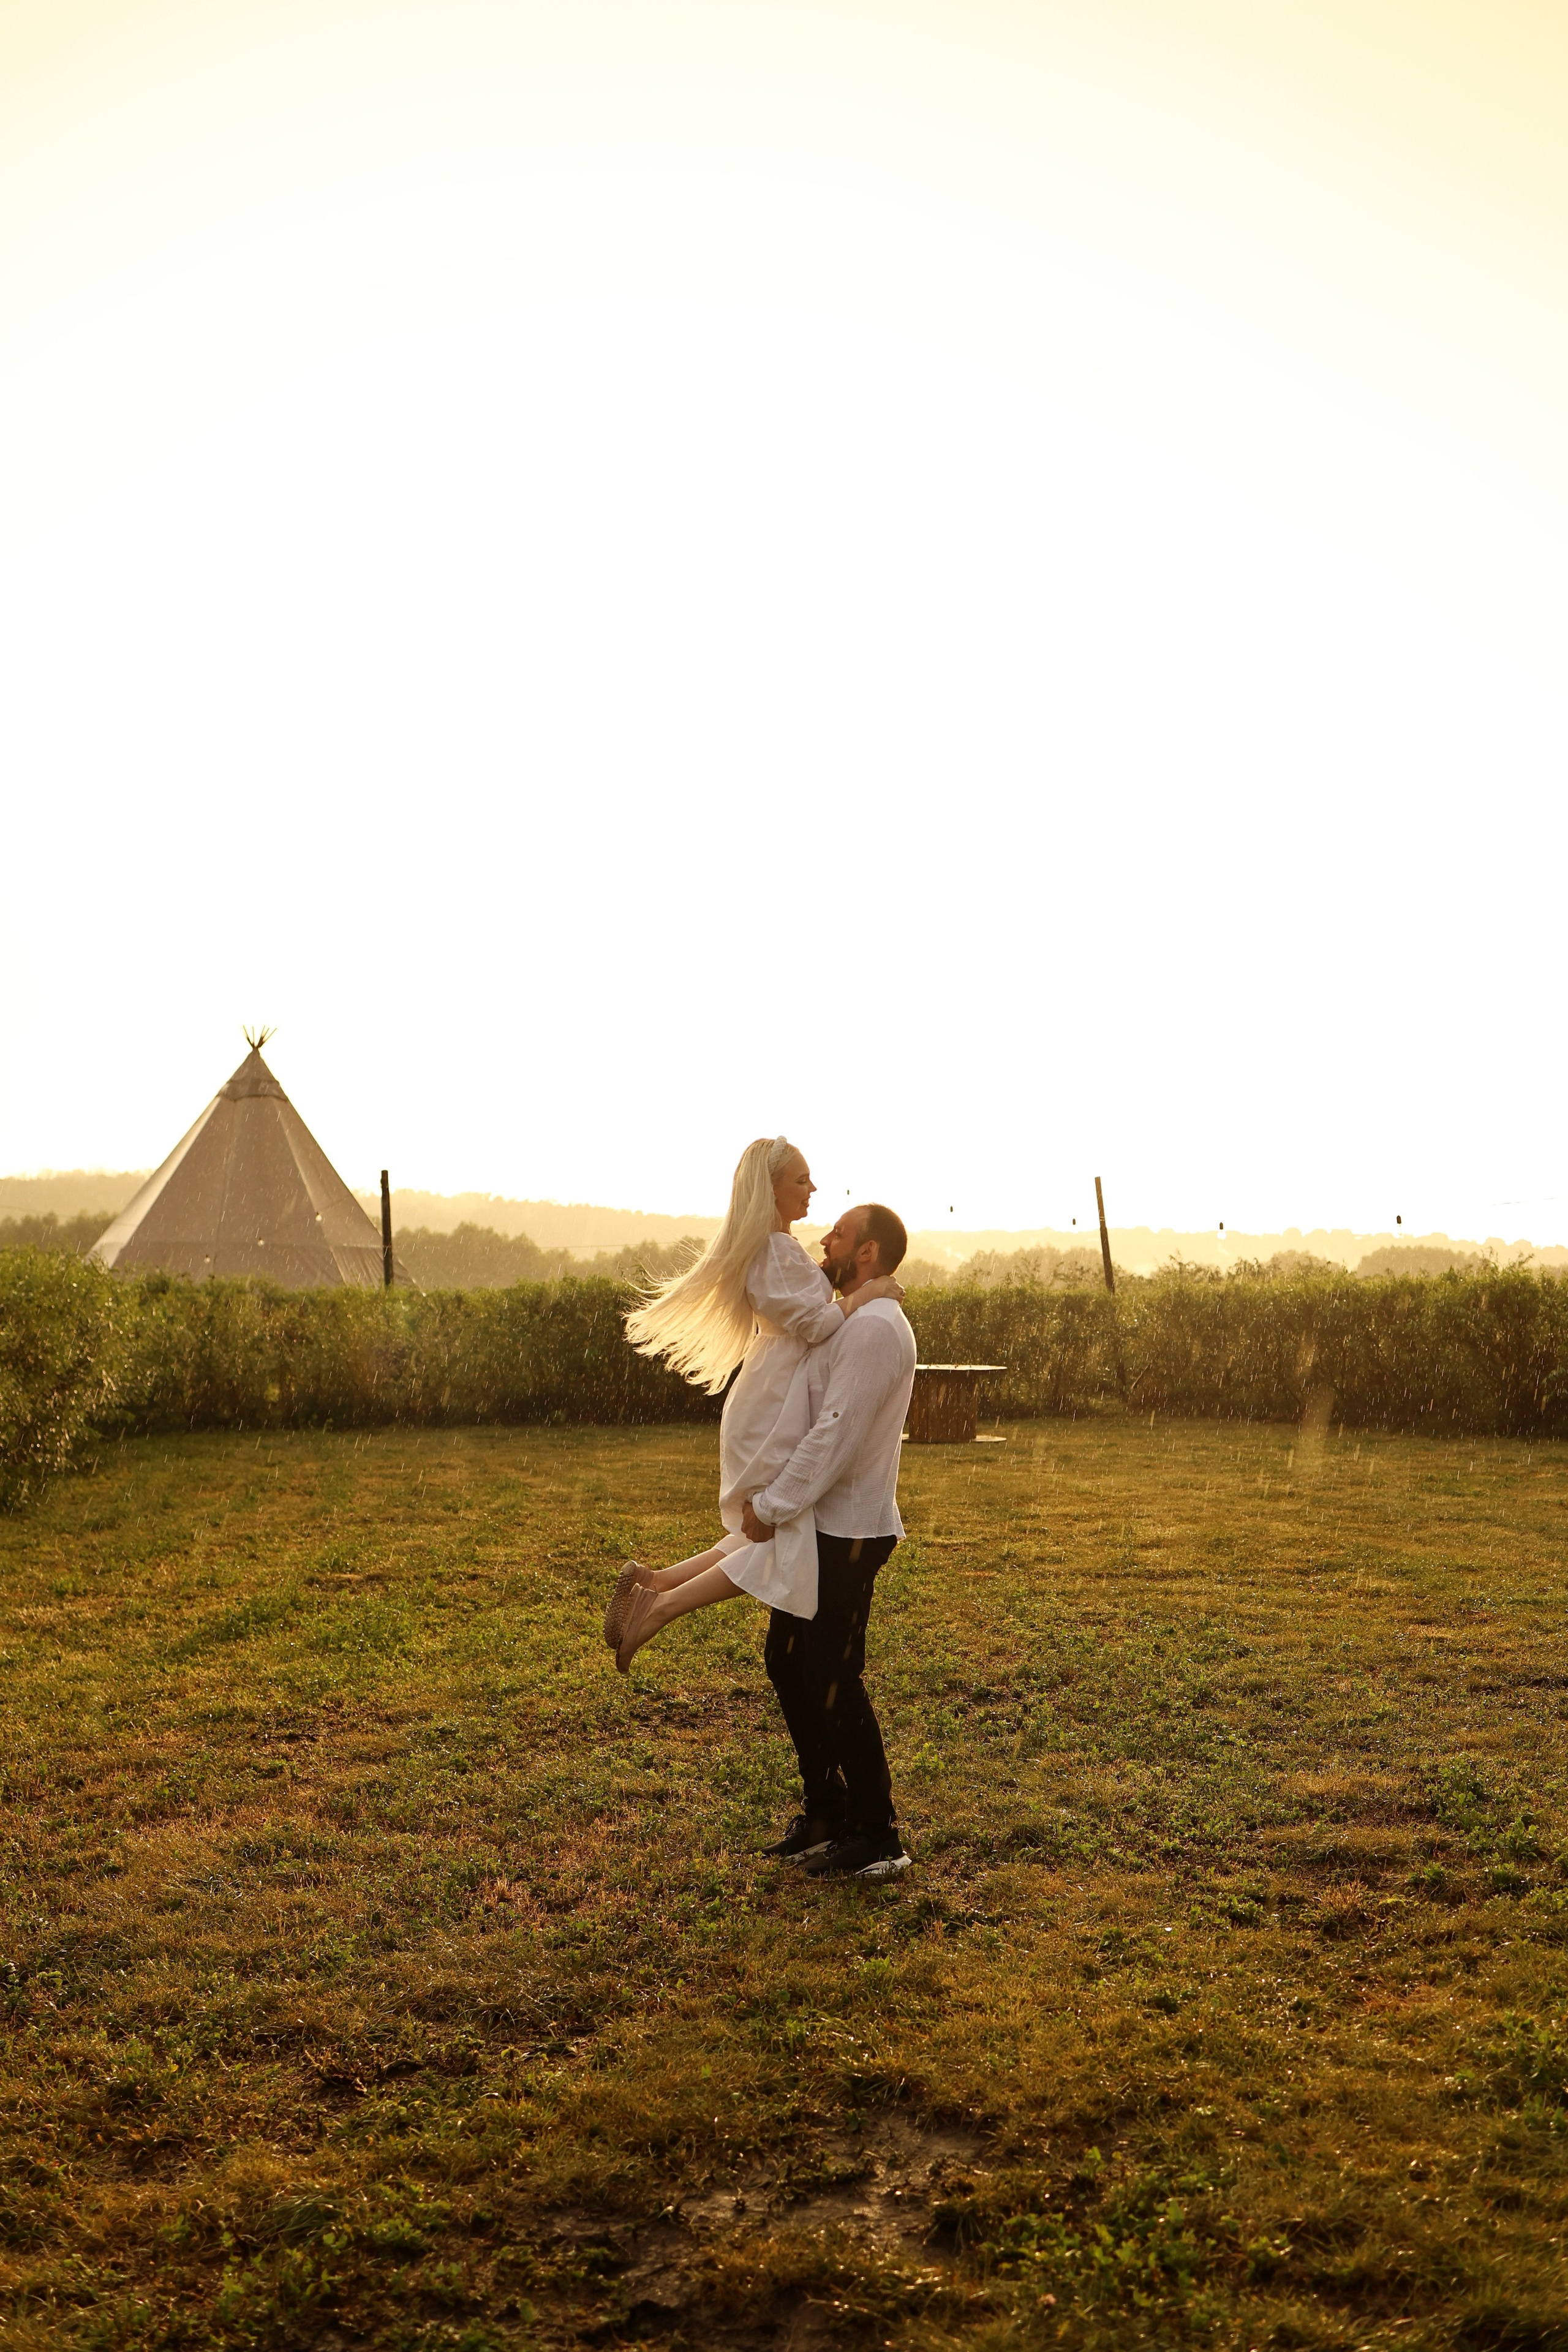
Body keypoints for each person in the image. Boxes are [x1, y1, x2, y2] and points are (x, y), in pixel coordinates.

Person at [606, 1137, 902, 1670]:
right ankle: (660, 1606)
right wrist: (865, 1294)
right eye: (801, 1181)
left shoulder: (778, 1248)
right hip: (774, 1406)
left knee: (773, 1527)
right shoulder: (775, 1249)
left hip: (773, 1397)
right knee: (779, 1531)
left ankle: (659, 1584)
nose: (812, 1190)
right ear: (769, 1190)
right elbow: (814, 1324)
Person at [742, 1200, 918, 1882]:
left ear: (867, 1253)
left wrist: (774, 1502)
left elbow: (835, 1435)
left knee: (833, 1678)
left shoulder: (876, 1330)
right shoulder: (855, 1321)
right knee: (789, 1661)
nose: (825, 1239)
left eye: (839, 1235)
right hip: (820, 1526)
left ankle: (878, 1833)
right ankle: (824, 1813)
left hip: (850, 1528)